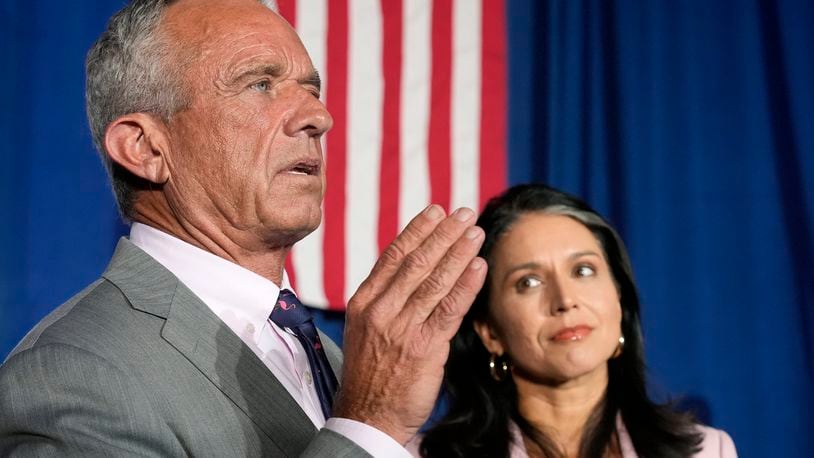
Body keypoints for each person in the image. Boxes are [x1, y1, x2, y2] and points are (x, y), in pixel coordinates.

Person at [0, 0, 487, 456]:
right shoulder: (74, 374)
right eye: (260, 84)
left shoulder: (333, 358)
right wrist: (368, 425)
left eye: (311, 90)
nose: (319, 117)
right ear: (146, 148)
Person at [416, 184, 737, 457]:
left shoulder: (708, 451)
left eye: (583, 270)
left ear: (619, 298)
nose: (565, 300)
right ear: (489, 332)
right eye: (528, 282)